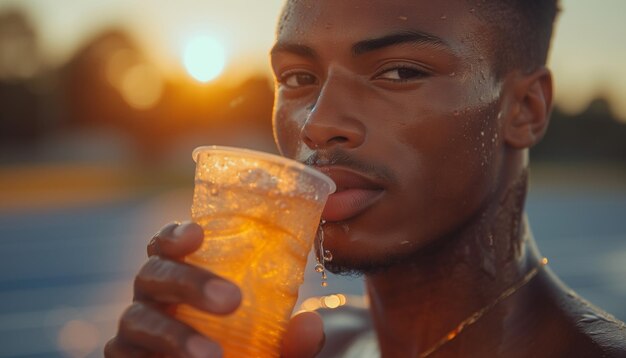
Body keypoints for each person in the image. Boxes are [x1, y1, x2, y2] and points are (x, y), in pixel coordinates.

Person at [105, 0, 626, 357]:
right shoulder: (309, 343)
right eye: (297, 78)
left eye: (399, 72)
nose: (318, 124)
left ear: (525, 109)